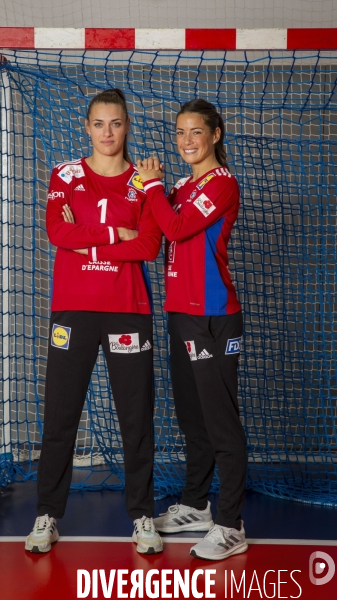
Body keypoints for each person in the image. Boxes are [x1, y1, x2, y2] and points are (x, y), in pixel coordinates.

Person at [25, 89, 163, 555]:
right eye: (99, 124)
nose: (108, 133)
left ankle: (143, 516)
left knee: (135, 416)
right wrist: (113, 233)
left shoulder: (143, 182)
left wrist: (87, 243)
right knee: (61, 413)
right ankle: (47, 515)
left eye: (116, 123)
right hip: (74, 309)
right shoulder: (65, 173)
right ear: (86, 127)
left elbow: (147, 246)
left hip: (128, 309)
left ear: (127, 126)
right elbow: (56, 231)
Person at [136, 99, 247, 561]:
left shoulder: (221, 184)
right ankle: (198, 504)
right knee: (191, 417)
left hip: (214, 317)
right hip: (180, 312)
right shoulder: (181, 186)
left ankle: (231, 523)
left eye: (195, 132)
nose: (186, 141)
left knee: (220, 422)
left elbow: (178, 228)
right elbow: (153, 234)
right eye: (180, 132)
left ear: (215, 135)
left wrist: (154, 186)